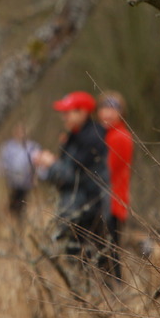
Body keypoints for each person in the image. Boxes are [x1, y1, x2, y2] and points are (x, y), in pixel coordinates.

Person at [32, 91, 111, 272]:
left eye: (68, 112)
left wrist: (51, 164)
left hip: (88, 213)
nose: (64, 117)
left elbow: (72, 177)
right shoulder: (74, 137)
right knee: (76, 263)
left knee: (93, 266)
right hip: (75, 212)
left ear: (83, 112)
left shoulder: (92, 138)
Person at [97, 90, 134, 280]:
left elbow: (106, 170)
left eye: (113, 109)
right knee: (105, 254)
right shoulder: (106, 135)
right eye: (104, 108)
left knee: (110, 256)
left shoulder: (119, 136)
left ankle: (117, 291)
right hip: (107, 203)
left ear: (121, 113)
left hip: (113, 204)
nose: (108, 113)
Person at [0, 123, 41, 216]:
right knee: (13, 201)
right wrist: (3, 172)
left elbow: (38, 163)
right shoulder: (8, 146)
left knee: (23, 201)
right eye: (18, 132)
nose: (21, 134)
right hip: (11, 180)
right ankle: (13, 216)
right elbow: (1, 163)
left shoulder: (32, 146)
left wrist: (36, 176)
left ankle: (21, 217)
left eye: (22, 132)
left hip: (27, 180)